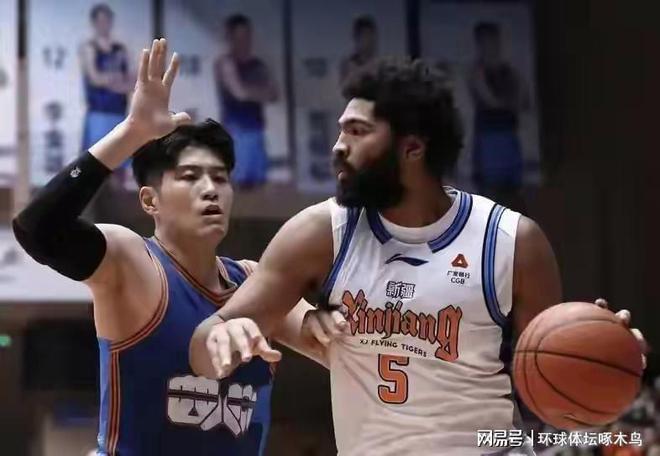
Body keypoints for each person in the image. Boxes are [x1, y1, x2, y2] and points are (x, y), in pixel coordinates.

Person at [190, 58, 646, 455]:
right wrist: (223, 341)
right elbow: (203, 347)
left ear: (412, 148)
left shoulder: (511, 241)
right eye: (340, 130)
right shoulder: (319, 233)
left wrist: (607, 363)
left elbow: (555, 406)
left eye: (357, 132)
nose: (338, 147)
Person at [13, 38, 336, 456]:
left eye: (220, 178)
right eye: (190, 177)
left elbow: (336, 348)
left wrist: (332, 319)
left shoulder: (256, 280)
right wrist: (132, 133)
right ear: (150, 201)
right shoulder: (132, 260)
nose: (210, 189)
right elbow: (37, 228)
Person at [468, 22, 531, 211]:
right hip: (489, 141)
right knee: (491, 199)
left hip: (509, 138)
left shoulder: (510, 71)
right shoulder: (476, 71)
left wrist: (512, 103)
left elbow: (524, 101)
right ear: (479, 44)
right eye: (485, 42)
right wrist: (511, 103)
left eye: (493, 41)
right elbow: (490, 100)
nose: (490, 46)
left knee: (515, 197)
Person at [214, 14, 278, 189]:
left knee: (259, 186)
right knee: (237, 187)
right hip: (236, 133)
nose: (243, 41)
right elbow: (240, 93)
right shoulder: (225, 63)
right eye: (238, 37)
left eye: (246, 36)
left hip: (257, 131)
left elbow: (274, 94)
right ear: (229, 38)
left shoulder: (258, 65)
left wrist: (251, 92)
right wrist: (259, 92)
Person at [79, 4, 134, 188]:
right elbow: (95, 78)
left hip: (119, 113)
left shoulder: (120, 49)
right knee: (96, 165)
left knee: (120, 166)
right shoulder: (89, 48)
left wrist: (114, 82)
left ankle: (118, 203)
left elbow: (132, 79)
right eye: (100, 20)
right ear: (94, 23)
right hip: (98, 114)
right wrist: (118, 82)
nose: (104, 24)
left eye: (107, 20)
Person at [339, 16, 379, 86]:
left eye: (372, 36)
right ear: (357, 38)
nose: (371, 40)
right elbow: (345, 88)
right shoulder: (348, 66)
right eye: (366, 35)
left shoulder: (380, 66)